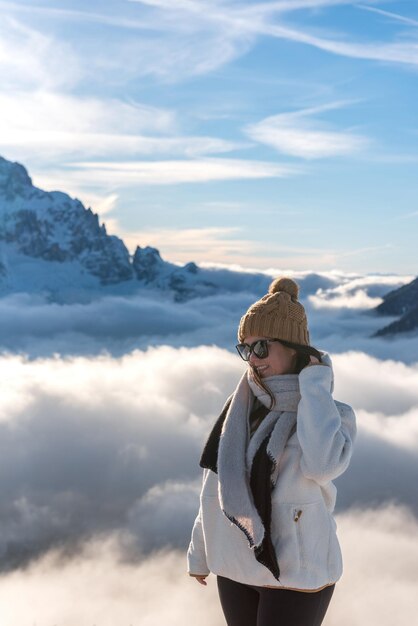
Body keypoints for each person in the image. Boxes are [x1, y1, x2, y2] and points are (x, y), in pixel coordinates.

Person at [186, 277, 357, 626]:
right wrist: (200, 554)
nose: (252, 358)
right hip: (235, 565)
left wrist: (315, 386)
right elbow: (213, 488)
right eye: (245, 348)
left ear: (294, 348)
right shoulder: (238, 409)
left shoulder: (332, 413)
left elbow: (323, 465)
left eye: (261, 346)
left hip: (299, 572)